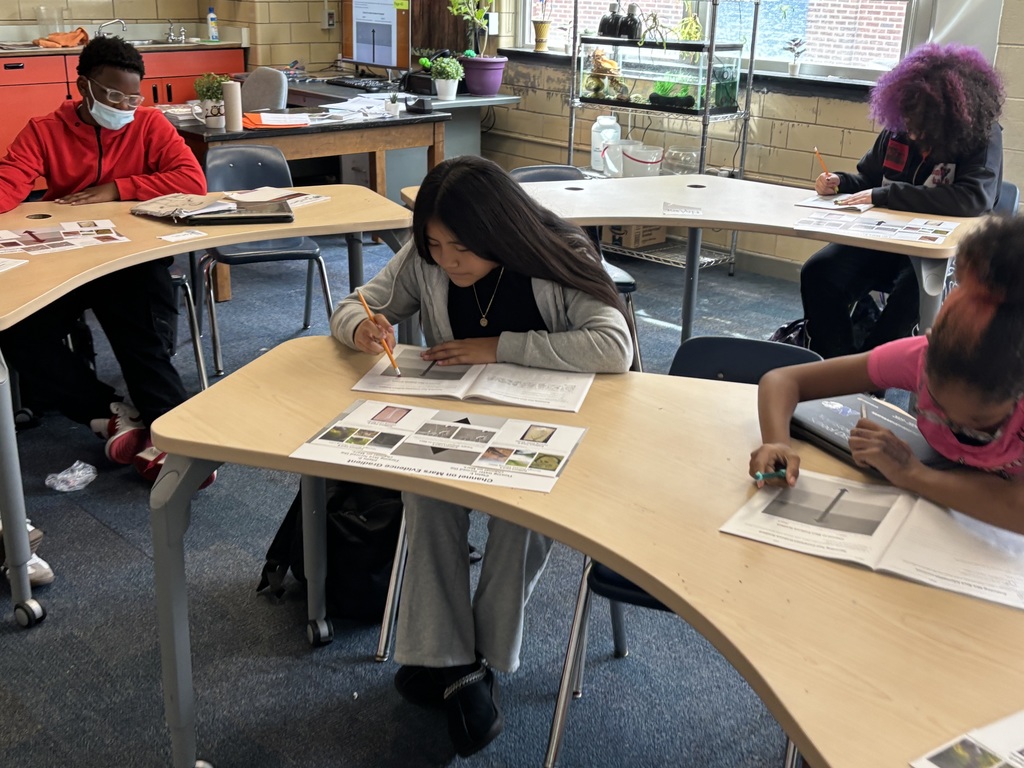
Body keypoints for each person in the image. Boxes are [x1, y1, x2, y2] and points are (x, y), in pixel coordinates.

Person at [330, 155, 633, 757]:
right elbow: (358, 305)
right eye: (436, 246)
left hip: (555, 424)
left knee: (519, 515)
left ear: (499, 230)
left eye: (461, 248)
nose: (446, 261)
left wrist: (500, 347)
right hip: (458, 417)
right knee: (426, 491)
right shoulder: (427, 255)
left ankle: (472, 661)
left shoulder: (556, 253)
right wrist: (363, 330)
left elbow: (613, 344)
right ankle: (459, 663)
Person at [0, 36, 209, 583]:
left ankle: (173, 438)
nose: (123, 107)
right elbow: (9, 184)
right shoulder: (45, 130)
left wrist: (116, 187)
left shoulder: (151, 126)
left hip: (128, 259)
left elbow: (192, 182)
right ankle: (108, 411)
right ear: (83, 87)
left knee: (141, 323)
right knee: (18, 330)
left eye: (131, 98)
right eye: (111, 96)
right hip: (65, 261)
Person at [753, 215, 1024, 536]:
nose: (952, 427)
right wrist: (777, 442)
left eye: (980, 429)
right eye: (934, 406)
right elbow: (784, 381)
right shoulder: (920, 357)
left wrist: (912, 474)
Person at [801, 42, 1005, 359]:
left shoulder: (982, 136)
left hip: (937, 250)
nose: (911, 133)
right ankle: (833, 363)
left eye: (922, 125)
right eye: (907, 120)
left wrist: (886, 195)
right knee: (818, 272)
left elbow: (973, 199)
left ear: (950, 118)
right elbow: (869, 180)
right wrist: (840, 182)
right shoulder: (899, 128)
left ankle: (869, 373)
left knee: (915, 293)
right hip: (882, 240)